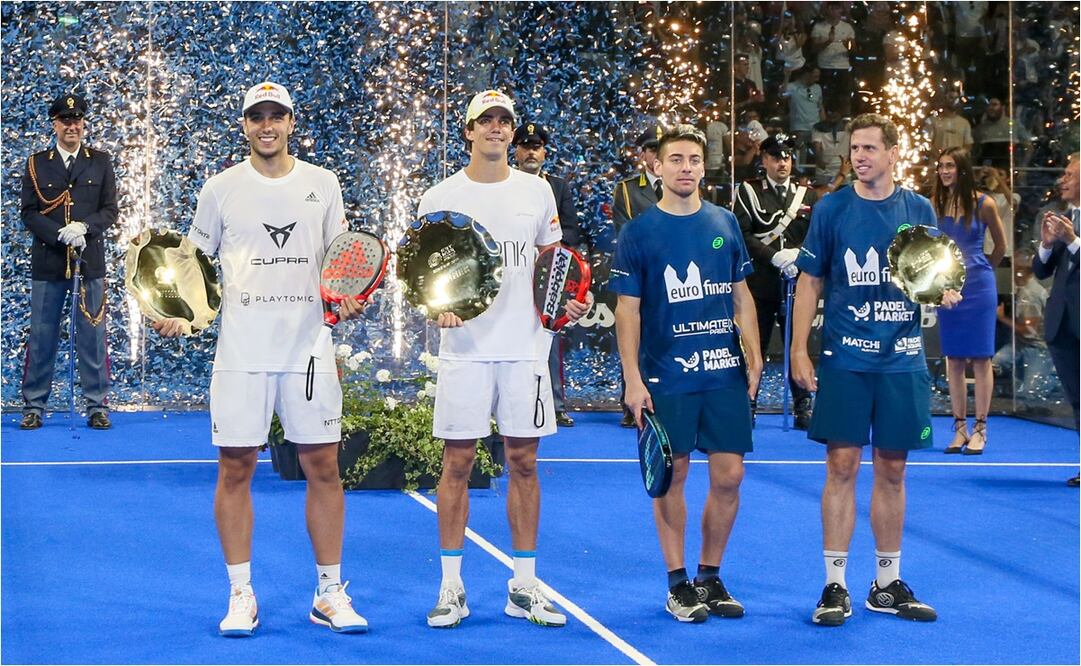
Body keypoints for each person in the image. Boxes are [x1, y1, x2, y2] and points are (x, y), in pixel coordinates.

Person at [153, 82, 369, 636]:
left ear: (292, 122)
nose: (267, 125)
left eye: (277, 116)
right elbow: (194, 270)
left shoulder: (323, 184)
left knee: (323, 467)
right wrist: (185, 315)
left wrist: (346, 301)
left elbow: (341, 263)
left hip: (310, 351)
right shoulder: (220, 189)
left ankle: (328, 593)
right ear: (245, 125)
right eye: (257, 117)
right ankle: (241, 593)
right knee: (236, 469)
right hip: (242, 352)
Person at [419, 90, 591, 629]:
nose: (495, 129)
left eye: (503, 122)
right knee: (457, 465)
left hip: (526, 351)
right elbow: (424, 276)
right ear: (468, 131)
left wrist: (570, 301)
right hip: (465, 352)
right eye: (484, 121)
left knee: (524, 463)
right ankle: (451, 590)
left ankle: (524, 586)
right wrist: (436, 308)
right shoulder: (439, 196)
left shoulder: (538, 193)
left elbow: (552, 265)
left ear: (512, 132)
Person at [791, 113, 961, 626]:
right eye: (854, 149)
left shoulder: (919, 207)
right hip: (845, 358)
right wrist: (799, 349)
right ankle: (834, 585)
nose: (860, 157)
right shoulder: (831, 209)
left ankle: (886, 584)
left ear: (892, 154)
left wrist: (944, 290)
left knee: (893, 470)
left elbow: (929, 272)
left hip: (902, 360)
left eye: (869, 148)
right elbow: (809, 282)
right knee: (840, 468)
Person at [611, 124, 762, 623]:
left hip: (722, 373)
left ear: (704, 166)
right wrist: (632, 379)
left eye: (693, 160)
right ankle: (678, 583)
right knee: (672, 476)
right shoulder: (638, 232)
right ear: (657, 165)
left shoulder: (724, 222)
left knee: (730, 475)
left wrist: (755, 355)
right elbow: (627, 312)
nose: (685, 168)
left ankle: (710, 576)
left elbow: (742, 296)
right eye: (675, 159)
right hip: (666, 375)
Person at [20, 94, 117, 431]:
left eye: (77, 120)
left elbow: (109, 210)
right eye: (65, 120)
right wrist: (58, 233)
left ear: (84, 124)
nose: (71, 126)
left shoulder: (100, 162)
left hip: (89, 262)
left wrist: (85, 228)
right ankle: (34, 405)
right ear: (54, 125)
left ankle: (97, 405)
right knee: (42, 336)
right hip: (49, 262)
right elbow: (29, 213)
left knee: (92, 336)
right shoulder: (37, 163)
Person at [734, 133, 817, 428]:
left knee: (799, 343)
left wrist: (800, 257)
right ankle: (748, 401)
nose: (782, 163)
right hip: (761, 282)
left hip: (797, 284)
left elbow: (815, 237)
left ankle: (803, 403)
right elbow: (741, 234)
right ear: (764, 160)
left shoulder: (806, 197)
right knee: (754, 346)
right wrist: (772, 256)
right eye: (775, 157)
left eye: (787, 157)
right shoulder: (748, 192)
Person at [931, 148, 1007, 454]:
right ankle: (959, 428)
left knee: (980, 358)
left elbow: (1000, 246)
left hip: (979, 286)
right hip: (947, 288)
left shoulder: (984, 203)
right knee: (954, 359)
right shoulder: (933, 204)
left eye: (950, 166)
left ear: (962, 169)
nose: (944, 171)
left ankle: (981, 428)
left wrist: (980, 268)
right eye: (941, 166)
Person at [512, 121, 582, 428]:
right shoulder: (505, 184)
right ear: (515, 150)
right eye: (525, 146)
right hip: (513, 270)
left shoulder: (557, 187)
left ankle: (554, 404)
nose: (530, 152)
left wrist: (547, 248)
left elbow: (571, 229)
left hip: (549, 270)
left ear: (545, 152)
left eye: (536, 147)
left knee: (550, 334)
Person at [1032, 153, 1080, 485]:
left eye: (1069, 174)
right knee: (1077, 397)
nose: (1062, 179)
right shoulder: (1064, 218)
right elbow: (1041, 270)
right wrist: (1048, 246)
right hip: (1063, 325)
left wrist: (1072, 241)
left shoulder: (1070, 229)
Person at [613, 125, 664, 427]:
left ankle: (661, 398)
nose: (657, 154)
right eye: (652, 148)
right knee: (632, 335)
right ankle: (630, 400)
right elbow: (624, 231)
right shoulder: (628, 189)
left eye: (661, 148)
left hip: (674, 275)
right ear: (643, 154)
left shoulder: (681, 184)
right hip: (639, 272)